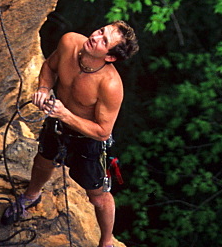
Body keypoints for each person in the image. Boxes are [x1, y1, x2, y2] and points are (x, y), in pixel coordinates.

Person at [20, 22, 139, 247]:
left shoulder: (110, 85)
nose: (96, 37)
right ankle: (31, 195)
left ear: (110, 57)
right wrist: (44, 89)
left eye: (104, 41)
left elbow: (103, 132)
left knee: (98, 195)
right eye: (101, 31)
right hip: (58, 121)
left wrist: (66, 115)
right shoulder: (69, 42)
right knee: (43, 161)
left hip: (88, 140)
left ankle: (106, 241)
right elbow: (49, 67)